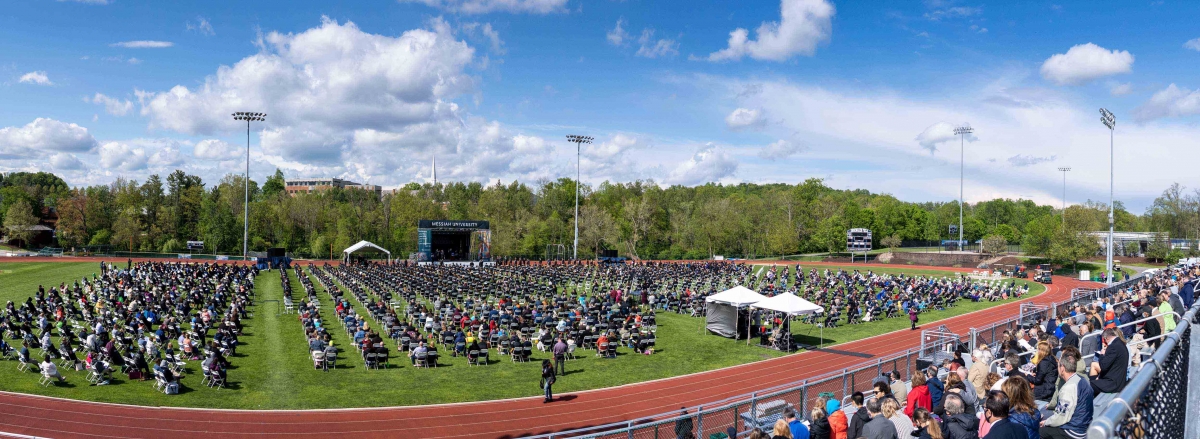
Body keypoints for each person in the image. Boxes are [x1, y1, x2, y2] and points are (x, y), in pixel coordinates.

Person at [1039, 348, 1092, 439]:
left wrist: (1046, 422)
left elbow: (1061, 417)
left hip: (1073, 431)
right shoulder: (1082, 380)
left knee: (1038, 430)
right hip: (1083, 425)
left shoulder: (1068, 387)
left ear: (1062, 368)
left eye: (1058, 366)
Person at [1088, 328, 1128, 413]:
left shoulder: (1113, 347)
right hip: (1118, 379)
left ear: (1106, 338)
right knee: (1093, 383)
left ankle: (1089, 408)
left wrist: (1102, 355)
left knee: (1088, 385)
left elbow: (1104, 366)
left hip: (1113, 383)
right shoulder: (1120, 343)